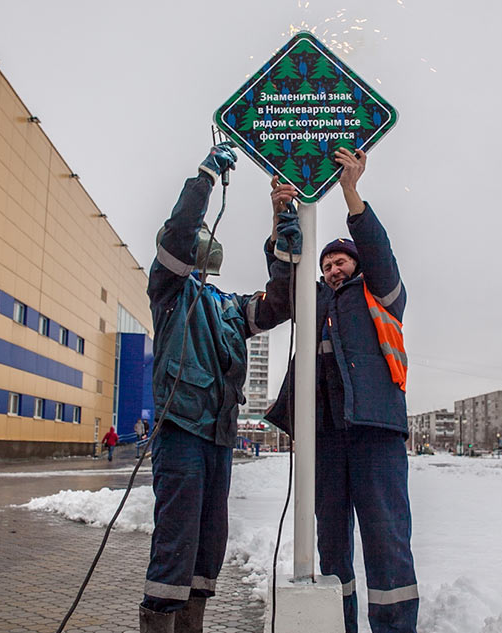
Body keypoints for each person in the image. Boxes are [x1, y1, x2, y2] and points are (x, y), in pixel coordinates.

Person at [139, 143, 299, 632]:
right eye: (199, 238)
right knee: (175, 542)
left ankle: (192, 624)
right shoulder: (169, 291)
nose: (201, 240)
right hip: (182, 431)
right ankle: (161, 622)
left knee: (208, 545)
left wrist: (282, 222)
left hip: (219, 439)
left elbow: (282, 301)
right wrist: (206, 178)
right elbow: (179, 230)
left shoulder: (231, 307)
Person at [266, 148, 418, 633]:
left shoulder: (380, 293)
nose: (333, 268)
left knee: (386, 538)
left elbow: (379, 254)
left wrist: (352, 194)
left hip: (375, 432)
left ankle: (395, 628)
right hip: (324, 439)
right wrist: (281, 216)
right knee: (330, 544)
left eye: (341, 261)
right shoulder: (310, 300)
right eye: (327, 263)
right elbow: (283, 277)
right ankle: (341, 626)